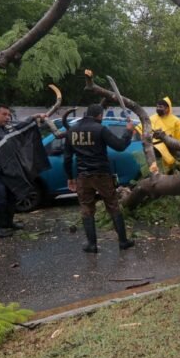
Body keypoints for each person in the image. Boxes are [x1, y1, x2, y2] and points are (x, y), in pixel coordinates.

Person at [64, 104, 135, 253]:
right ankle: (123, 241)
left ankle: (92, 244)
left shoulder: (72, 130)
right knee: (113, 205)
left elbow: (67, 158)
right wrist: (128, 131)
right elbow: (120, 146)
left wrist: (70, 177)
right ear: (100, 115)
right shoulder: (100, 129)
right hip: (102, 174)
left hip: (83, 176)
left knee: (86, 208)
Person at [0, 106, 49, 238]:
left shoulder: (5, 128)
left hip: (6, 172)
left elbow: (21, 125)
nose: (7, 117)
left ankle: (8, 223)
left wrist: (36, 116)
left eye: (9, 115)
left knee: (12, 197)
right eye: (4, 114)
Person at [136, 97, 180, 174]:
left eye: (160, 107)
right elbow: (142, 129)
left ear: (167, 108)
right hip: (155, 151)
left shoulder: (175, 120)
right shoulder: (152, 118)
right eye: (157, 107)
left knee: (175, 171)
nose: (158, 108)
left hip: (172, 149)